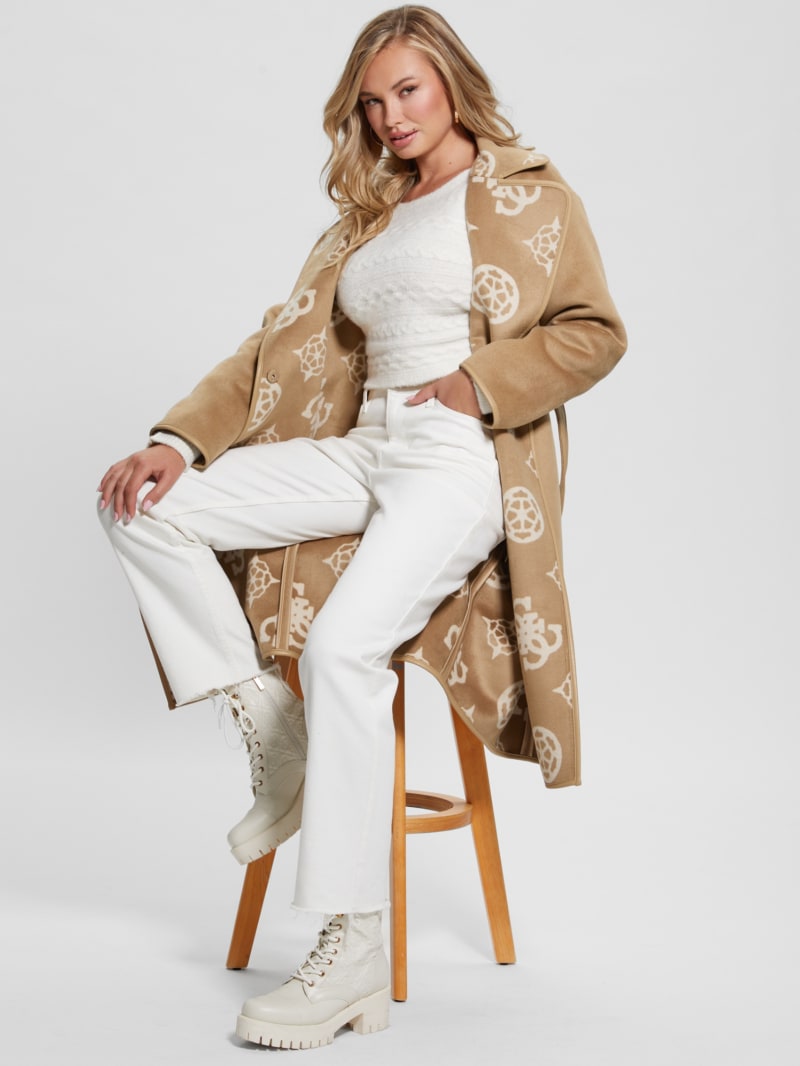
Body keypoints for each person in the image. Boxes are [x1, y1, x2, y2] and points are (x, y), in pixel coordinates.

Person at [97, 4, 626, 1051]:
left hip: (455, 454)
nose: (389, 117)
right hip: (364, 443)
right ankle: (275, 732)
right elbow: (269, 352)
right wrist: (177, 441)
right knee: (149, 506)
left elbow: (594, 333)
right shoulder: (364, 220)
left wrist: (476, 383)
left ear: (452, 83)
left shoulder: (530, 196)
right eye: (372, 101)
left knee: (343, 647)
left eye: (407, 91)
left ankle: (353, 951)